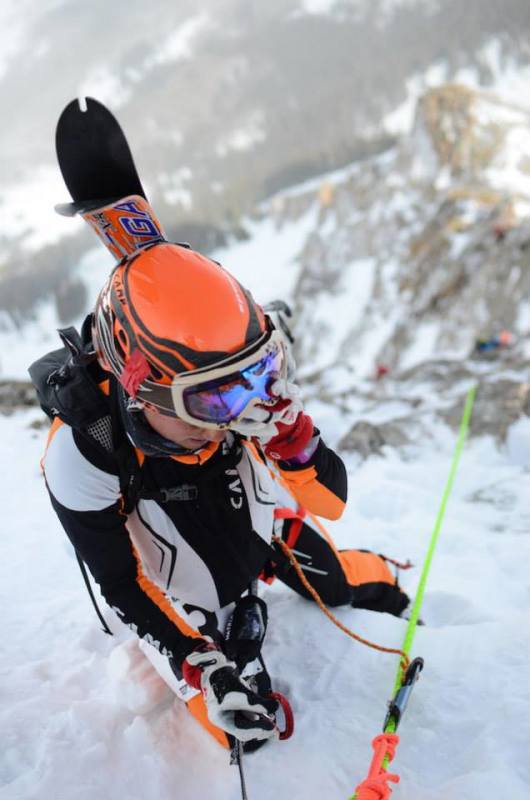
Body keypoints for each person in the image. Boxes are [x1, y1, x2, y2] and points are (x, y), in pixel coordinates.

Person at [40, 242, 409, 750]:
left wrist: (295, 444)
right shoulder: (84, 447)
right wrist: (200, 664)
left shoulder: (241, 388)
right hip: (170, 577)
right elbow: (121, 584)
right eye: (206, 401)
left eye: (241, 390)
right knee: (239, 732)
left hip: (260, 521)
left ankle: (385, 576)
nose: (224, 420)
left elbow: (331, 503)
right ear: (137, 388)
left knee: (340, 586)